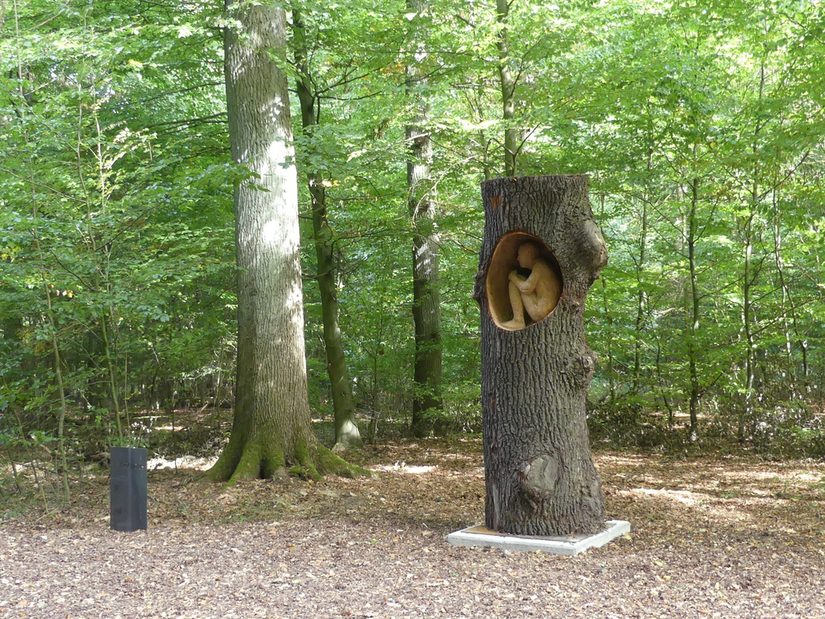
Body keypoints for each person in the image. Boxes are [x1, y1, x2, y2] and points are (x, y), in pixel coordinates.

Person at [501, 242, 561, 330]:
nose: (517, 259)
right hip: (548, 310)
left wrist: (512, 277)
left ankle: (518, 320)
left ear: (527, 254)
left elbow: (526, 288)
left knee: (515, 281)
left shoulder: (539, 266)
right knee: (520, 279)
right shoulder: (543, 265)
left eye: (519, 254)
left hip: (540, 311)